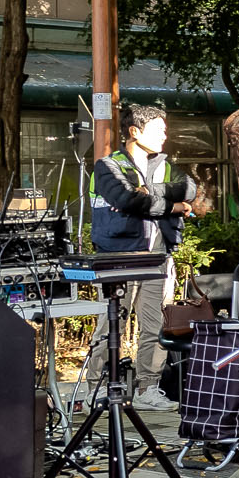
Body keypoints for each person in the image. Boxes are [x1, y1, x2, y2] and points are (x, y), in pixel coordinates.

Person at [87, 101, 207, 397]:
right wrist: (173, 205)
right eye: (158, 130)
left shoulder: (164, 165)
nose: (164, 136)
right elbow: (127, 200)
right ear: (134, 131)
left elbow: (190, 189)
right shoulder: (108, 166)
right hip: (120, 255)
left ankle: (148, 388)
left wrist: (148, 193)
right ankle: (97, 386)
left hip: (158, 255)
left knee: (155, 324)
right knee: (112, 321)